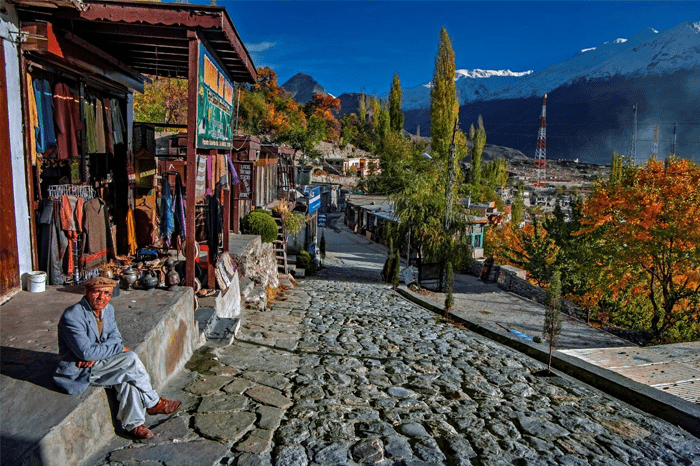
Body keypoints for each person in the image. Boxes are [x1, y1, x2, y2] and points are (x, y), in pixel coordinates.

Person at [53, 277, 181, 440]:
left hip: (97, 361)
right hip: (80, 369)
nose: (102, 297)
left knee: (129, 377)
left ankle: (134, 426)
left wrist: (97, 352)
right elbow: (87, 353)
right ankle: (154, 403)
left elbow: (115, 338)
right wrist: (113, 350)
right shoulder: (72, 316)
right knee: (130, 360)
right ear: (87, 292)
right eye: (97, 292)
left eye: (106, 293)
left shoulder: (108, 310)